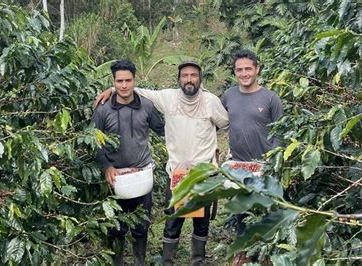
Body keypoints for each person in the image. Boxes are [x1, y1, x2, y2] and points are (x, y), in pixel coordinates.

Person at [95, 61, 229, 265]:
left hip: (201, 173)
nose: (189, 79)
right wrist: (112, 89)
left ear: (200, 78)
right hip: (171, 173)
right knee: (169, 219)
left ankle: (197, 260)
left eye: (193, 75)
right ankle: (165, 261)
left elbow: (225, 124)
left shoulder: (210, 101)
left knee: (199, 220)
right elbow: (95, 138)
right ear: (178, 79)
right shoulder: (166, 98)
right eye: (185, 75)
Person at [92, 60, 165, 266]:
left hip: (141, 174)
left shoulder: (147, 106)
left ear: (135, 80)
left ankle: (139, 262)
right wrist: (107, 166)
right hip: (115, 177)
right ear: (113, 82)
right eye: (119, 81)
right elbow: (94, 141)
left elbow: (163, 131)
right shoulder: (103, 110)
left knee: (141, 225)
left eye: (128, 80)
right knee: (116, 228)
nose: (124, 85)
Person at [221, 49, 283, 264]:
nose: (244, 73)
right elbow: (218, 122)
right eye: (240, 69)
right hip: (239, 165)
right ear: (234, 72)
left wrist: (272, 163)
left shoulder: (270, 98)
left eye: (248, 68)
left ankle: (265, 255)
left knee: (265, 210)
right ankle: (243, 252)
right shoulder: (228, 95)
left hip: (264, 165)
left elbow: (279, 132)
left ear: (257, 69)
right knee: (241, 210)